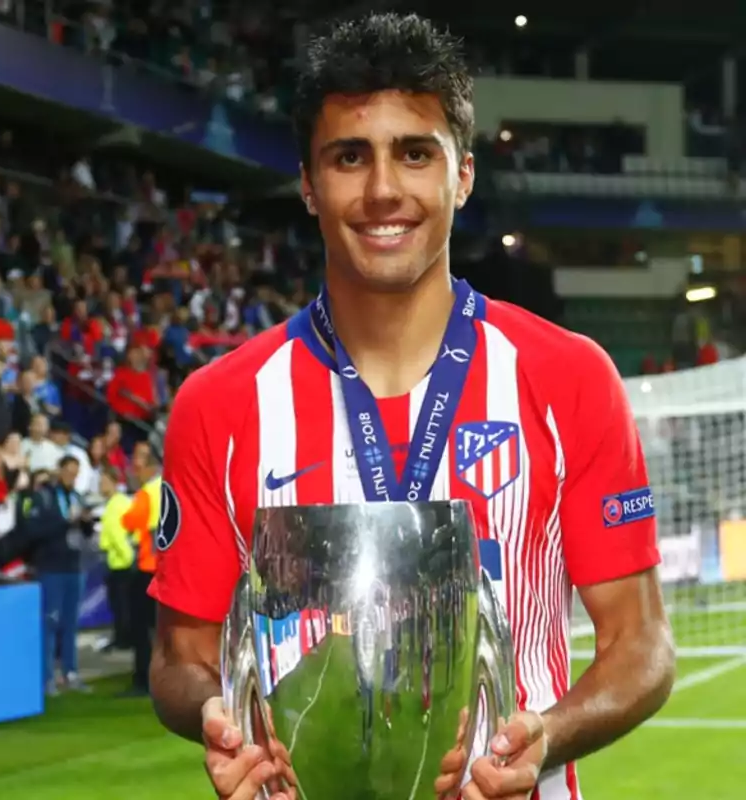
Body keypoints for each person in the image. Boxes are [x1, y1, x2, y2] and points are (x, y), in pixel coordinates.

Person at [146, 13, 675, 800]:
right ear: (307, 182)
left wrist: (548, 734)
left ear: (461, 175)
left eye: (415, 153)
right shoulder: (221, 403)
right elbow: (176, 660)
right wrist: (222, 716)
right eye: (350, 157)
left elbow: (643, 645)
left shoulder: (567, 377)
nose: (384, 189)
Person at [21, 455, 91, 696]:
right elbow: (32, 531)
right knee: (49, 623)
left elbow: (84, 533)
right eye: (68, 471)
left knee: (70, 624)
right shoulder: (44, 496)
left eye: (76, 472)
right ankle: (46, 678)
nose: (72, 476)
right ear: (59, 470)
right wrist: (64, 522)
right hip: (50, 568)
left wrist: (85, 522)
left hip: (74, 567)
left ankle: (70, 672)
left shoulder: (77, 497)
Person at [120, 448, 161, 696]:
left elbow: (130, 520)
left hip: (148, 567)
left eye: (138, 464)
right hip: (169, 567)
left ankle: (143, 680)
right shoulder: (172, 486)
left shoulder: (147, 493)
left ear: (148, 468)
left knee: (141, 628)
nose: (135, 469)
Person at [97, 467, 134, 651]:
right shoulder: (120, 502)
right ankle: (123, 638)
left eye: (103, 482)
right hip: (119, 560)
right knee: (120, 604)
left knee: (121, 605)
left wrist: (128, 558)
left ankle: (123, 640)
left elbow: (118, 535)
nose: (100, 486)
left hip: (121, 563)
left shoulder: (116, 504)